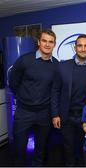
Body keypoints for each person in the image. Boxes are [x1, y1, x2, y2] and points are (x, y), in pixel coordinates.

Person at [52, 34, 86, 166]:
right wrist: (55, 114)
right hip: (66, 116)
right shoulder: (62, 66)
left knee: (84, 150)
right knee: (68, 149)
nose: (83, 49)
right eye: (80, 45)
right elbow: (55, 91)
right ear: (75, 48)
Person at [9, 29, 58, 166]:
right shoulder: (24, 60)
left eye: (51, 42)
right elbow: (13, 82)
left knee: (41, 149)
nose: (47, 44)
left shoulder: (56, 65)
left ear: (54, 44)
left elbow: (55, 90)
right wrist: (23, 97)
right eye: (44, 41)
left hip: (44, 113)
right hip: (24, 112)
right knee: (19, 148)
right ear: (38, 42)